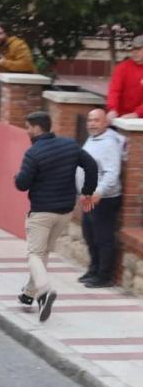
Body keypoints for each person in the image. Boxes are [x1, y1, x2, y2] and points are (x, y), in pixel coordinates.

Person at [14, 111, 98, 323]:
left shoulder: (33, 153)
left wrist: (17, 177)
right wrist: (88, 191)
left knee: (34, 254)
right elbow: (91, 165)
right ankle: (29, 295)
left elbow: (22, 184)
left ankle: (44, 291)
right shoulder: (70, 145)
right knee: (43, 254)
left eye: (28, 127)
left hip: (42, 212)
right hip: (65, 212)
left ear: (36, 128)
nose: (26, 131)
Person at [78, 108, 125, 288]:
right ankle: (93, 269)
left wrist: (99, 192)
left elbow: (112, 172)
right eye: (90, 120)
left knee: (103, 238)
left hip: (103, 199)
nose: (92, 123)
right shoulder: (92, 138)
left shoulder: (109, 143)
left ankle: (103, 276)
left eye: (96, 120)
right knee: (89, 235)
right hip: (89, 198)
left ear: (106, 122)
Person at [106, 34, 143, 120]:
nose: (134, 52)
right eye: (133, 49)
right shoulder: (122, 68)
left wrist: (137, 114)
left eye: (138, 49)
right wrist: (112, 109)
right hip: (121, 117)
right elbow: (114, 91)